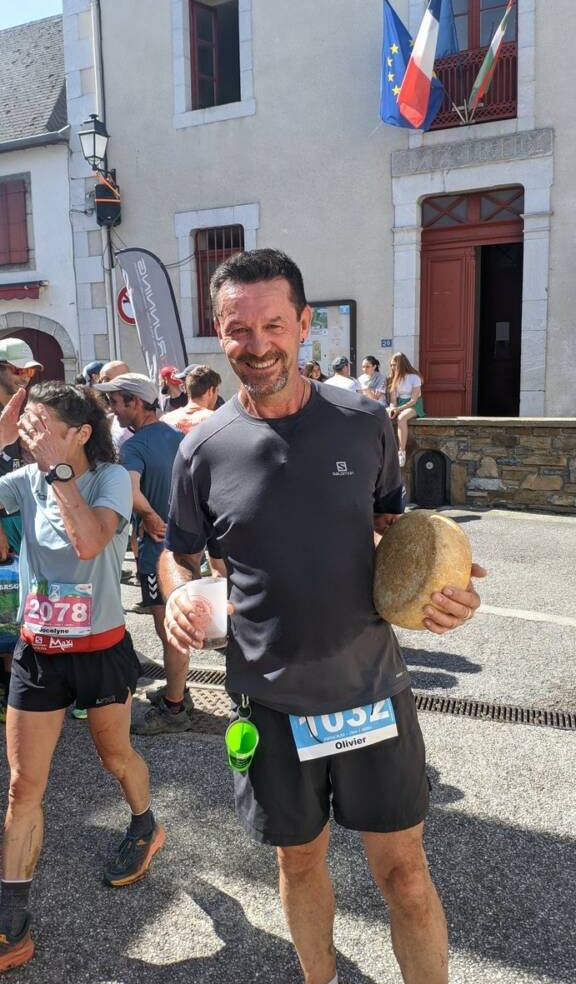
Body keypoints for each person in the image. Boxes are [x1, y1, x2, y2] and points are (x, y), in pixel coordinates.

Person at [158, 248, 485, 984]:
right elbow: (175, 553)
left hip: (370, 688)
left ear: (304, 324)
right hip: (270, 701)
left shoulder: (364, 422)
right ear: (219, 331)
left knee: (403, 874)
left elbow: (398, 536)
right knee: (298, 864)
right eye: (238, 330)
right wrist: (179, 591)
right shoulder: (202, 450)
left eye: (274, 324)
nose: (258, 344)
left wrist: (447, 584)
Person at [0, 382, 164, 972]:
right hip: (38, 653)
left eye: (42, 428)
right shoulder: (23, 481)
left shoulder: (109, 480)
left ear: (81, 434)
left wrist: (60, 474)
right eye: (28, 429)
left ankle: (145, 824)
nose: (32, 439)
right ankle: (11, 922)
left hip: (99, 651)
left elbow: (91, 542)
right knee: (23, 787)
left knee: (114, 756)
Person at [93, 373, 192, 734]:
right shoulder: (177, 435)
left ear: (135, 402)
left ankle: (175, 708)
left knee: (169, 630)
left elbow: (131, 491)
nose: (111, 408)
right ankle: (178, 688)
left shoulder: (133, 446)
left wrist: (149, 515)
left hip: (157, 550)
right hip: (185, 545)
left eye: (115, 401)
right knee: (178, 624)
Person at [0, 340, 43, 722]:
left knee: (12, 615)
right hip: (3, 535)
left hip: (18, 538)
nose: (24, 378)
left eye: (29, 372)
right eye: (18, 370)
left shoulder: (19, 411)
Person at [387, 352, 425, 468]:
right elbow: (393, 400)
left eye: (395, 365)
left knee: (402, 418)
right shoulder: (392, 378)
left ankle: (401, 451)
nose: (392, 367)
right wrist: (393, 408)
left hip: (414, 405)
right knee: (382, 413)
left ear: (402, 365)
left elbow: (413, 400)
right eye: (391, 365)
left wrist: (398, 409)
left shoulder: (415, 377)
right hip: (400, 404)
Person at [161, 365, 221, 435]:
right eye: (217, 390)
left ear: (186, 389)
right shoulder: (217, 421)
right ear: (210, 391)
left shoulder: (165, 420)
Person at [97, 360, 133, 450]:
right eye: (101, 381)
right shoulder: (110, 419)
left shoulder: (152, 416)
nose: (102, 385)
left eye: (106, 379)